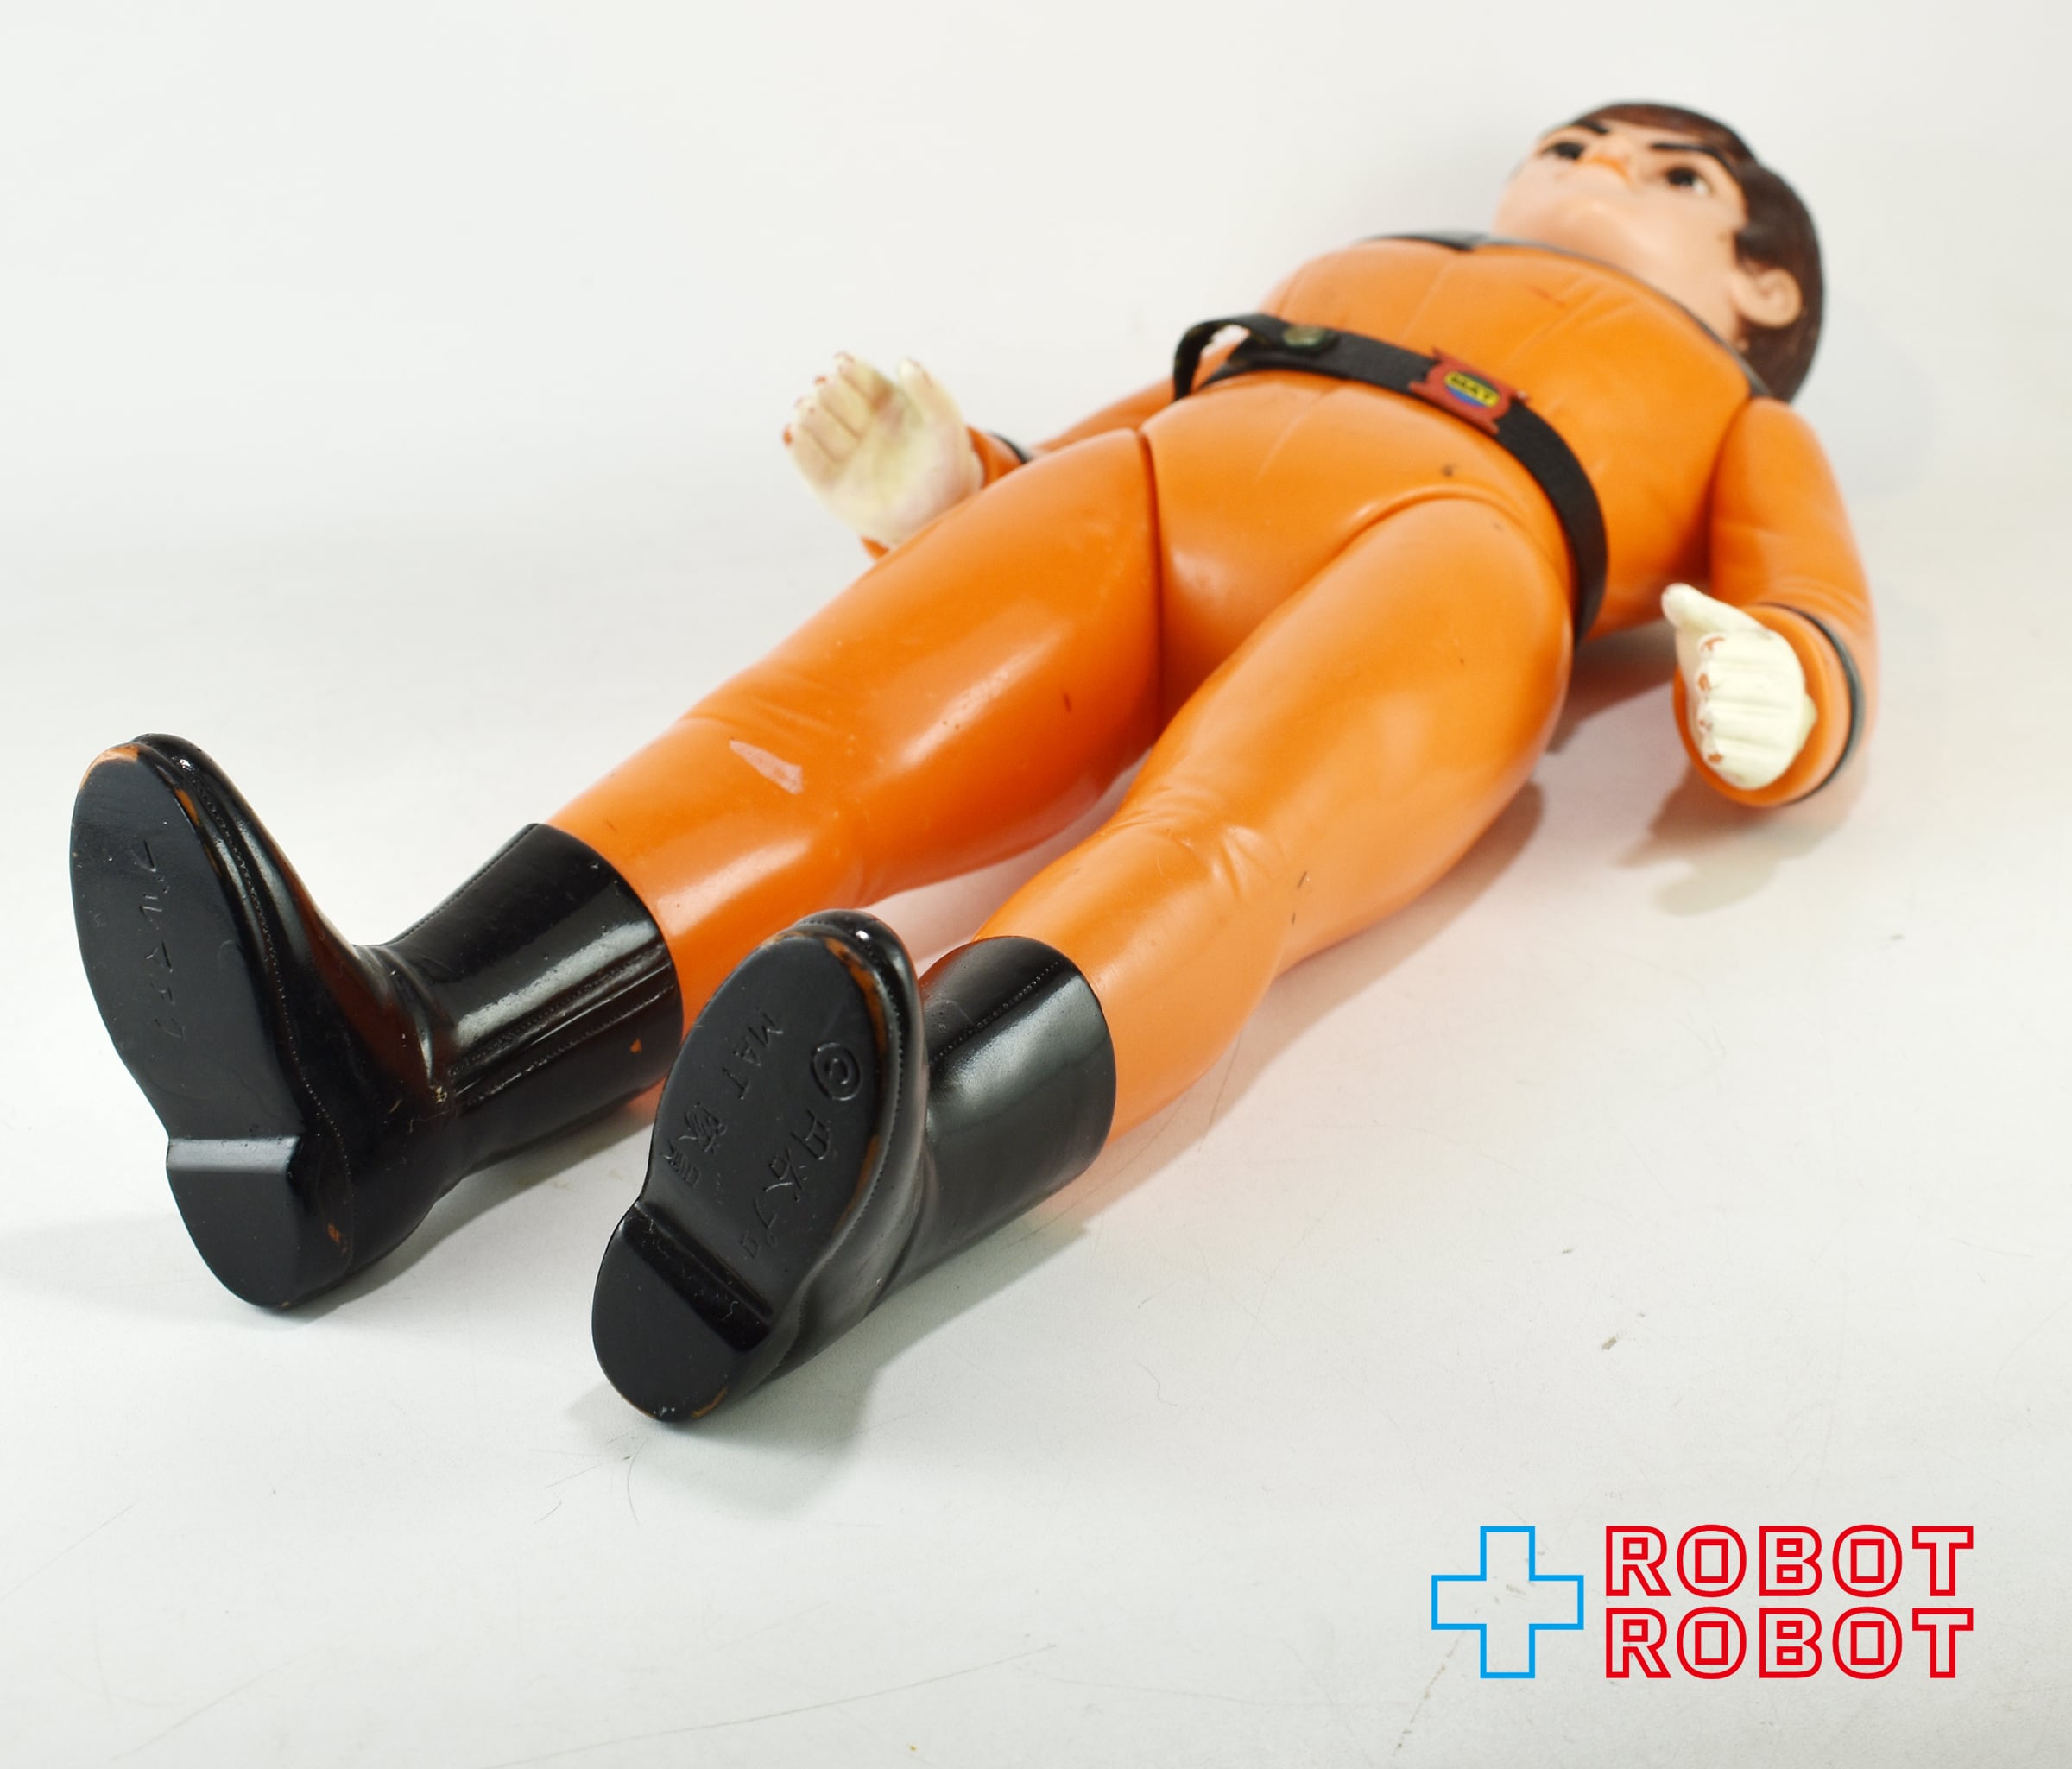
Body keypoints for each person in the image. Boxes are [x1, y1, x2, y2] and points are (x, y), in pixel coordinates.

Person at [69, 103, 1873, 1419]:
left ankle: (904, 1155)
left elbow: (1812, 593)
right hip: (1153, 481)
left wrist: (1788, 693)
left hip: (1461, 549)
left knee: (1226, 836)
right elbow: (1167, 401)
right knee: (804, 737)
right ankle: (404, 1062)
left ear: (1761, 283)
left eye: (1673, 177)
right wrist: (961, 491)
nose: (1593, 168)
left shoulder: (1725, 401)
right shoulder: (1364, 270)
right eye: (1573, 144)